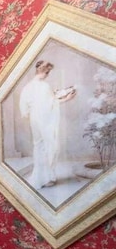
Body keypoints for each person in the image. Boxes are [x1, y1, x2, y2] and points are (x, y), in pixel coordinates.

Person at [19, 60, 76, 189]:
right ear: (44, 71)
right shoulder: (44, 86)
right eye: (48, 72)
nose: (48, 74)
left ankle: (41, 177)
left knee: (38, 146)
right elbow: (50, 103)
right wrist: (67, 98)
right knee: (50, 146)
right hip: (44, 118)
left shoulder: (27, 87)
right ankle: (46, 178)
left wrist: (58, 95)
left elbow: (25, 108)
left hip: (35, 118)